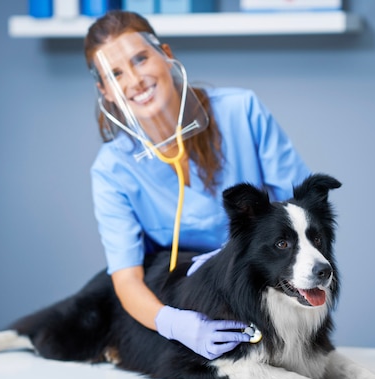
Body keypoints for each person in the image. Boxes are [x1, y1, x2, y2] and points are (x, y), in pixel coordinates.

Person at [84, 10, 311, 360]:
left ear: (166, 54)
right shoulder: (112, 169)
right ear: (105, 92)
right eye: (115, 75)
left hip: (265, 293)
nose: (134, 80)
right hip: (186, 303)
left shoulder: (241, 112)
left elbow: (300, 212)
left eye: (140, 59)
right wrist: (175, 324)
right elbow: (127, 279)